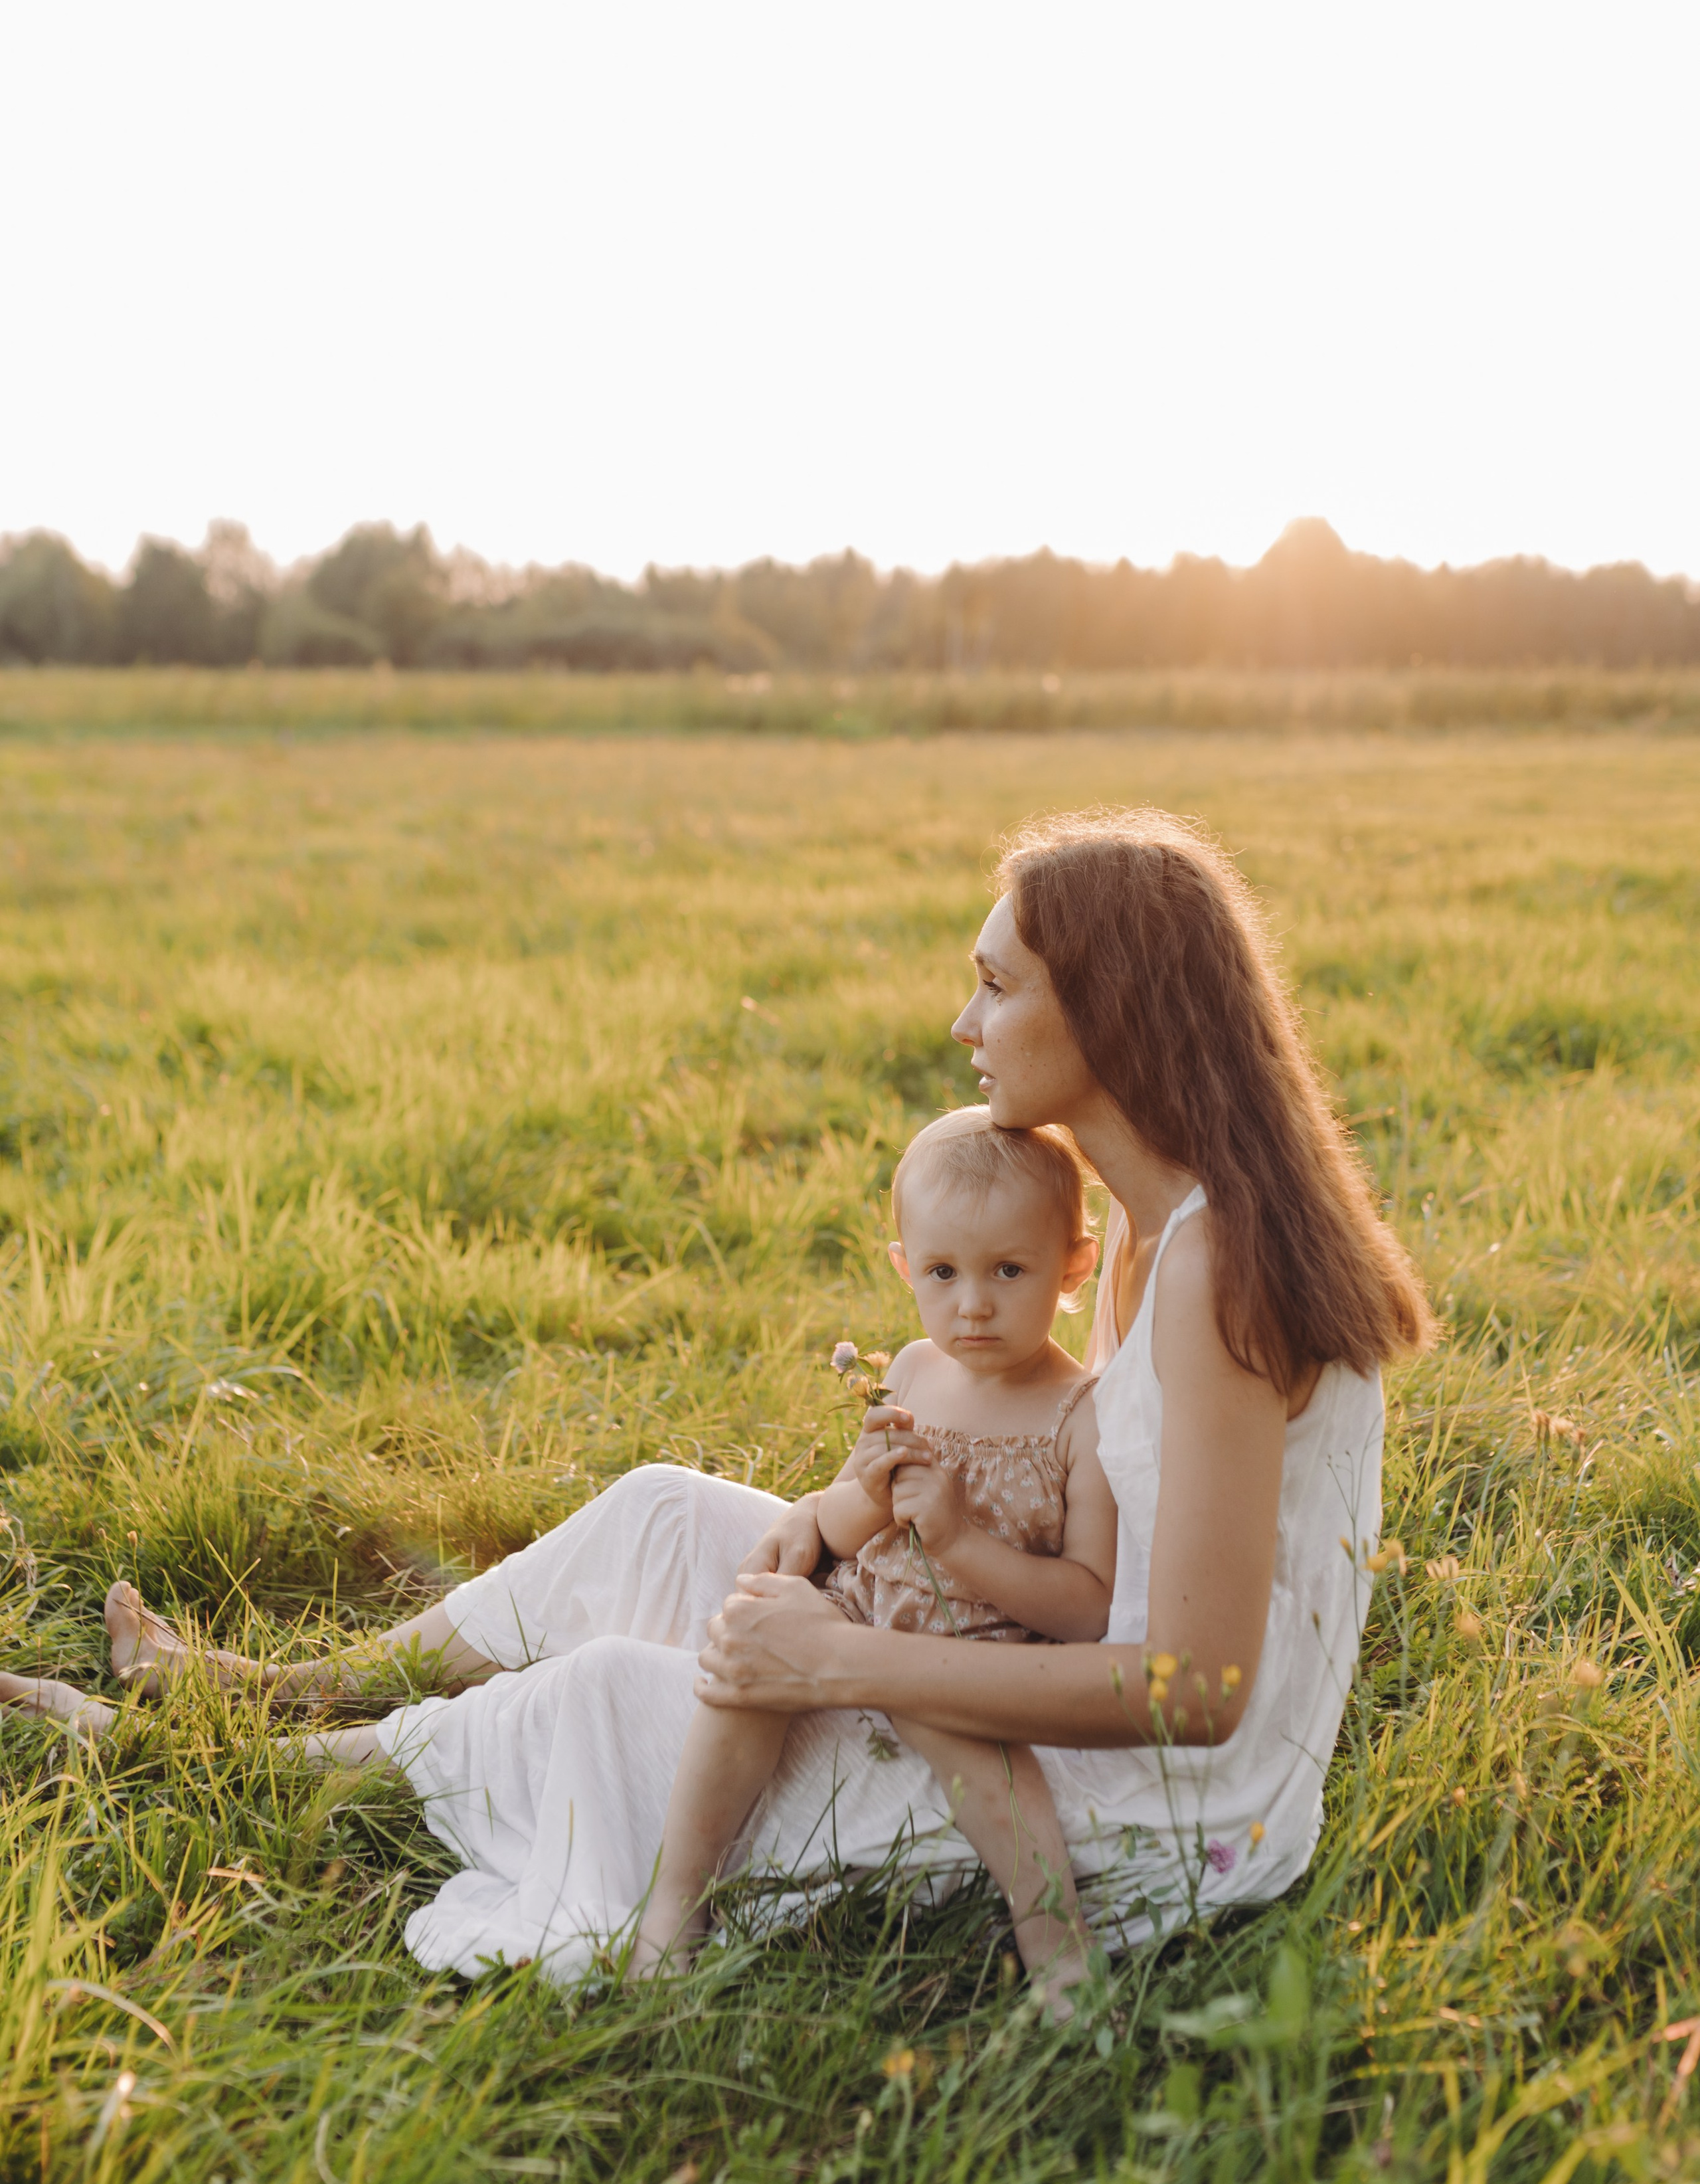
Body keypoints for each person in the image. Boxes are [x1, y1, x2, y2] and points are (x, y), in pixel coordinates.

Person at [2, 808, 1432, 1991]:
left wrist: (847, 1661)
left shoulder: (1217, 1269)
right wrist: (844, 1550)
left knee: (632, 1693)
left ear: (1110, 1007)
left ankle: (243, 1774)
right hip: (1059, 1689)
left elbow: (1192, 1690)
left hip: (1160, 1824)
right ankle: (289, 1690)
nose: (961, 1020)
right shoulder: (1140, 1224)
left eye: (996, 985)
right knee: (667, 1515)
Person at [632, 1107, 1116, 2001]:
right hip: (858, 1605)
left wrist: (963, 1544)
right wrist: (854, 1494)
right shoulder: (914, 1371)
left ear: (1074, 1264)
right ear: (905, 1266)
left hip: (972, 1651)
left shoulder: (1079, 1417)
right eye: (943, 1272)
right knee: (740, 1673)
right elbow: (855, 1533)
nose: (973, 1302)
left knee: (999, 1783)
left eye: (1010, 1270)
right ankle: (676, 1903)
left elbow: (1087, 1606)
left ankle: (1057, 1950)